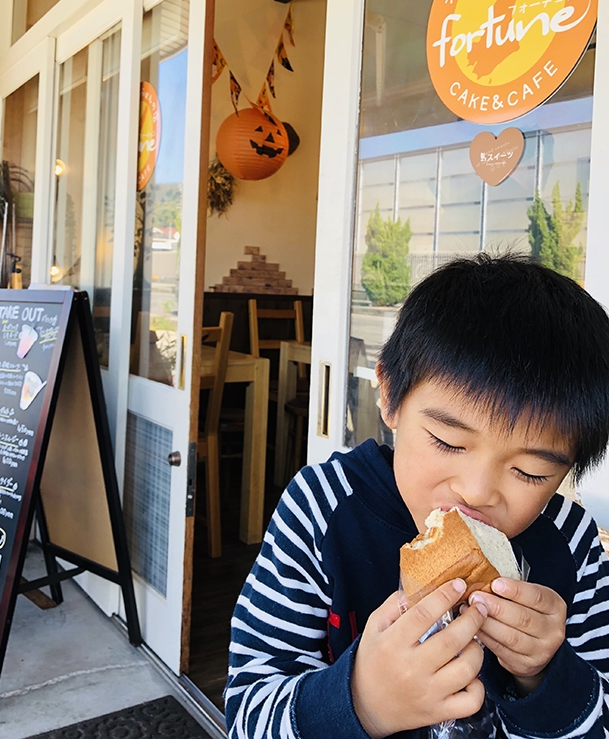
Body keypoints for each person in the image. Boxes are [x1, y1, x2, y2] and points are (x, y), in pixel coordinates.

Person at [225, 253, 609, 739]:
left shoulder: (572, 544)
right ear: (389, 397)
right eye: (449, 442)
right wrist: (362, 703)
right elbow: (246, 716)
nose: (476, 491)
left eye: (529, 472)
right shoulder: (322, 508)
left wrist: (546, 677)